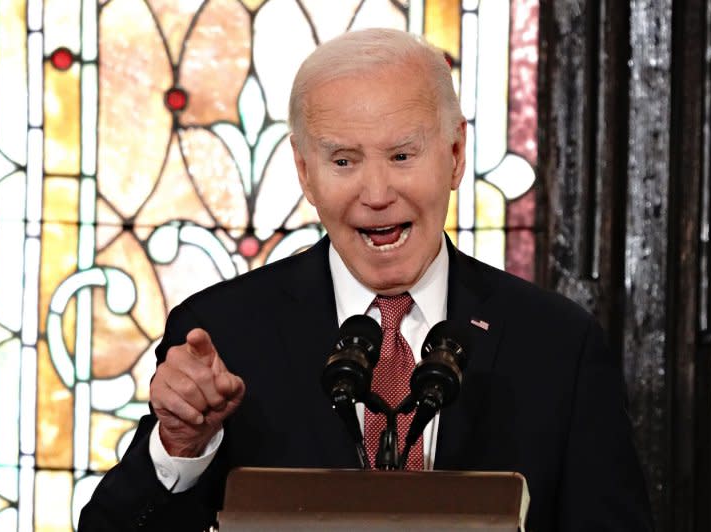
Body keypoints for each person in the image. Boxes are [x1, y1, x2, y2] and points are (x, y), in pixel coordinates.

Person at [79, 28, 652, 531]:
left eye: (402, 156)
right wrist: (181, 448)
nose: (376, 195)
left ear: (455, 155)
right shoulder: (222, 336)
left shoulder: (557, 345)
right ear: (305, 171)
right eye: (344, 161)